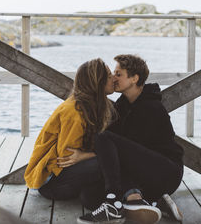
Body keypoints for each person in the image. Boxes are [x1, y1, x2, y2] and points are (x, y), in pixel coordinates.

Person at [78, 55, 184, 224]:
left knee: (103, 136)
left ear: (134, 78)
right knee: (88, 196)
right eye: (113, 73)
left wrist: (84, 156)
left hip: (166, 172)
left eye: (118, 74)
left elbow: (119, 150)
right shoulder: (123, 105)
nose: (113, 77)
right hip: (141, 174)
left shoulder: (152, 107)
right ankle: (155, 202)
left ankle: (114, 203)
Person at [24, 58, 125, 223]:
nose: (114, 78)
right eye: (108, 76)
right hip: (50, 183)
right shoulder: (75, 112)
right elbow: (67, 158)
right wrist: (91, 156)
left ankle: (128, 203)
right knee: (107, 162)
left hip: (70, 176)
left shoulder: (97, 105)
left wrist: (90, 155)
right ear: (96, 82)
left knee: (91, 196)